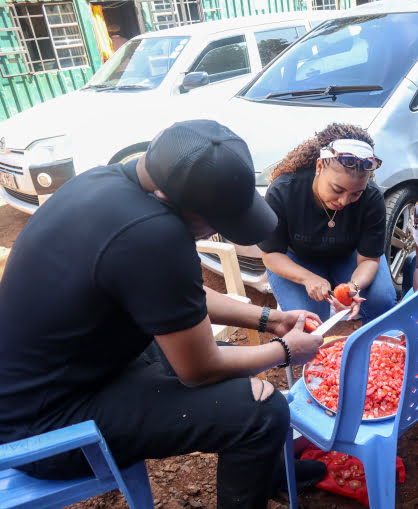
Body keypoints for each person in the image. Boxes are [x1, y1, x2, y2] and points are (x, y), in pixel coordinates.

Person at [0, 120, 326, 509]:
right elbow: (200, 369)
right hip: (44, 430)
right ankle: (261, 456)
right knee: (261, 412)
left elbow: (179, 294)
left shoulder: (106, 182)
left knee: (209, 357)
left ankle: (268, 474)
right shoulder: (155, 235)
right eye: (216, 224)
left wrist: (268, 319)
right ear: (170, 198)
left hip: (61, 379)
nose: (214, 234)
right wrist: (286, 350)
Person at [259, 123, 397, 323]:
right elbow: (271, 254)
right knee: (309, 319)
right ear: (319, 167)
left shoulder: (372, 198)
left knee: (381, 300)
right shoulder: (284, 190)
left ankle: (376, 345)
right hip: (296, 258)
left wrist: (353, 286)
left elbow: (369, 260)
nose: (343, 201)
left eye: (355, 194)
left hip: (347, 256)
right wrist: (307, 278)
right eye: (337, 189)